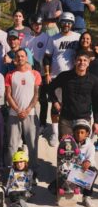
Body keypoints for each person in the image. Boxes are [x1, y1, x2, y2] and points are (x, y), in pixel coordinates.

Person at [44, 12, 80, 146]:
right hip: (56, 76)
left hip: (73, 77)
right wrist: (47, 73)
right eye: (64, 22)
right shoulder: (53, 38)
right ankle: (54, 132)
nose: (66, 25)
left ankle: (73, 130)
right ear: (60, 23)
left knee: (72, 105)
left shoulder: (77, 37)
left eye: (69, 23)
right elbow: (47, 57)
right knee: (55, 106)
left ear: (72, 24)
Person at [5, 48, 41, 178]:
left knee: (32, 145)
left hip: (30, 114)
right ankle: (11, 174)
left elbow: (36, 94)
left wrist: (27, 110)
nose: (20, 58)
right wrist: (18, 110)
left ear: (26, 57)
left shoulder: (35, 74)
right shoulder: (10, 75)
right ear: (15, 59)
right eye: (18, 56)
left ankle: (33, 173)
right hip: (14, 115)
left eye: (22, 56)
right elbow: (8, 95)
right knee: (12, 145)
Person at [48, 52, 98, 140]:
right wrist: (55, 102)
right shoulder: (64, 76)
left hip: (84, 118)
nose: (82, 62)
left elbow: (96, 102)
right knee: (67, 149)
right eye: (79, 60)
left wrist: (96, 122)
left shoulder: (93, 80)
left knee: (81, 149)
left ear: (88, 63)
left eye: (85, 60)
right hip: (66, 119)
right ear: (75, 61)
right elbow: (50, 88)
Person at [22, 14, 52, 133]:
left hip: (42, 72)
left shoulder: (47, 37)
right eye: (35, 24)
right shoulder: (26, 38)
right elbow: (23, 53)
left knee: (42, 99)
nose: (37, 26)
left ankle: (43, 123)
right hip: (30, 72)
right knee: (30, 98)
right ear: (31, 25)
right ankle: (31, 121)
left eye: (39, 24)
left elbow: (48, 55)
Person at [72, 119, 97, 207]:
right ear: (73, 132)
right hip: (71, 171)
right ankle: (71, 191)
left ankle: (86, 196)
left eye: (82, 132)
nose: (79, 135)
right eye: (77, 132)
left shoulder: (90, 145)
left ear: (87, 134)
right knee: (52, 188)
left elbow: (90, 157)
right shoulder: (69, 143)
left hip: (83, 171)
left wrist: (87, 162)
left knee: (93, 171)